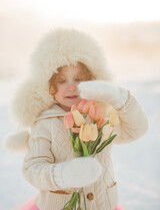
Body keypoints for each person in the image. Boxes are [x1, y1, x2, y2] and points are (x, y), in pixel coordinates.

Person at [4, 28, 148, 210]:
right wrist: (64, 175)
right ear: (50, 87)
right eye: (62, 81)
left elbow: (137, 129)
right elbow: (32, 169)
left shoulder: (99, 116)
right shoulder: (45, 124)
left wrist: (119, 98)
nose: (71, 87)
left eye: (78, 79)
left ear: (92, 80)